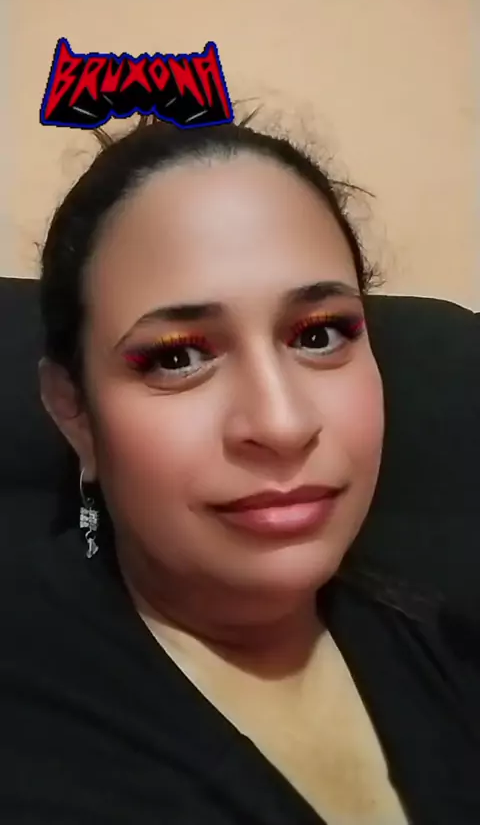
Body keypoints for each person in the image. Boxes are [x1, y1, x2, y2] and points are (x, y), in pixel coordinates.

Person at [2, 116, 478, 825]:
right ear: (75, 411)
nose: (282, 425)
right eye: (177, 356)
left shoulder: (445, 651)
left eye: (319, 334)